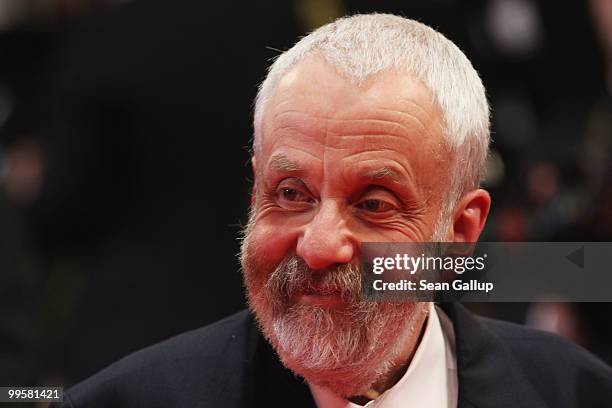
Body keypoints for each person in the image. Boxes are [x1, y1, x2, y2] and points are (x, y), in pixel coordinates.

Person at [52, 14, 612, 408]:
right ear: (255, 192)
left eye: (373, 204)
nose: (319, 246)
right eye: (291, 194)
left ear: (461, 230)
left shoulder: (575, 392)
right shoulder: (122, 400)